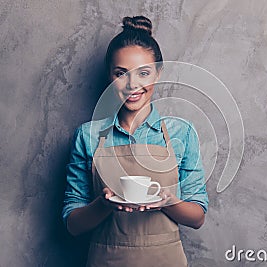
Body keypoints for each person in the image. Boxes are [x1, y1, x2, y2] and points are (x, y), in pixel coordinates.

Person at [62, 15, 208, 267]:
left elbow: (197, 217)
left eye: (144, 73)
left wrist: (168, 201)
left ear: (158, 73)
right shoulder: (87, 136)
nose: (133, 85)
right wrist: (105, 204)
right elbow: (73, 224)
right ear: (109, 76)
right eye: (121, 73)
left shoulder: (181, 132)